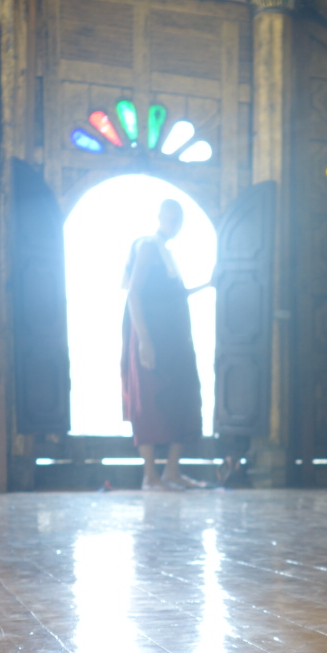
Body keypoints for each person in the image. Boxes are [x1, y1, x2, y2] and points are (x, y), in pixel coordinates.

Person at [122, 198, 207, 490]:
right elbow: (134, 294)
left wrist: (208, 285)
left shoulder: (167, 253)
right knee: (149, 400)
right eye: (169, 219)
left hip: (174, 336)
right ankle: (150, 476)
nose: (173, 225)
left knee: (184, 395)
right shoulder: (147, 246)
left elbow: (173, 295)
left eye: (178, 220)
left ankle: (172, 471)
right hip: (150, 334)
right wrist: (144, 340)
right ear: (159, 218)